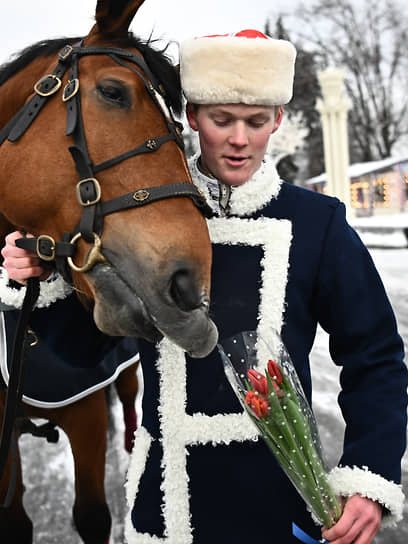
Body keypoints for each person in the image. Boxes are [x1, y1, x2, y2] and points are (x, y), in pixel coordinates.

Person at [1, 29, 407, 544]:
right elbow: (86, 352)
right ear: (191, 117)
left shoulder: (317, 222)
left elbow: (375, 356)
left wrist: (368, 476)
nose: (239, 138)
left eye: (256, 122)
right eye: (221, 120)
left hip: (284, 505)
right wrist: (40, 285)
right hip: (163, 508)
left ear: (278, 120)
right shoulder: (141, 222)